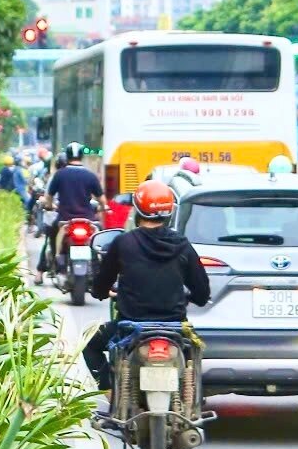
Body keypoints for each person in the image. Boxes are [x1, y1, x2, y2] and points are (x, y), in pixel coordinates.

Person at [84, 179, 211, 386]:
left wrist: (102, 291)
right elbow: (202, 292)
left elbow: (101, 284)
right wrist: (192, 297)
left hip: (129, 327)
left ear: (137, 211)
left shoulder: (123, 243)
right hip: (175, 327)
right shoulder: (182, 244)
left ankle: (109, 393)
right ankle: (192, 400)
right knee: (193, 354)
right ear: (169, 212)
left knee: (90, 344)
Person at [39, 145, 103, 277]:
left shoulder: (59, 175)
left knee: (52, 232)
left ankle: (59, 260)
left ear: (67, 156)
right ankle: (97, 264)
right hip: (88, 218)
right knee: (100, 234)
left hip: (64, 218)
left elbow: (49, 197)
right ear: (82, 156)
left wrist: (49, 205)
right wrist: (104, 207)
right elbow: (102, 199)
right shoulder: (90, 175)